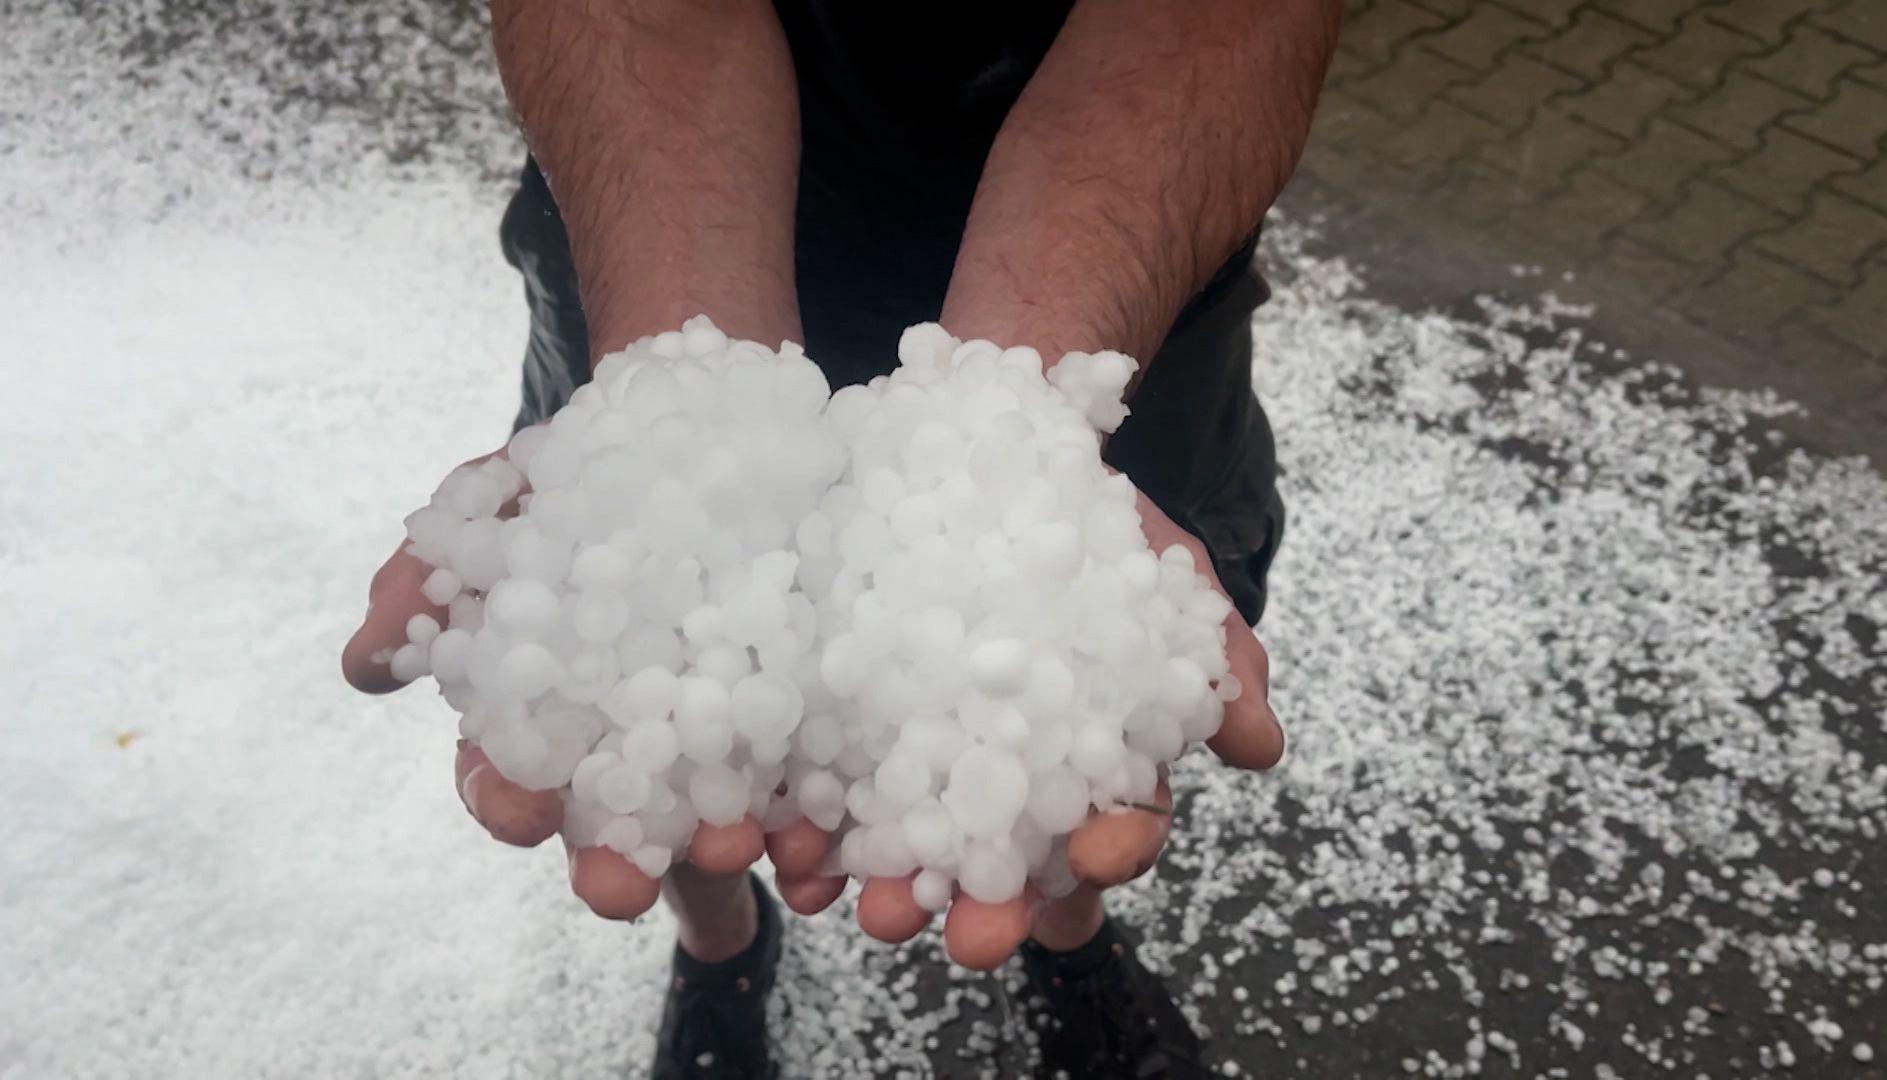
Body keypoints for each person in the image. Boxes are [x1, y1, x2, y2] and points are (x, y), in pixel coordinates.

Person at [343, 1, 1337, 1075]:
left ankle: (1067, 935)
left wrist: (1018, 421)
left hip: (1114, 272)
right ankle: (719, 946)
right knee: (648, 742)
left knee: (1090, 763)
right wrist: (681, 379)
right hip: (661, 227)